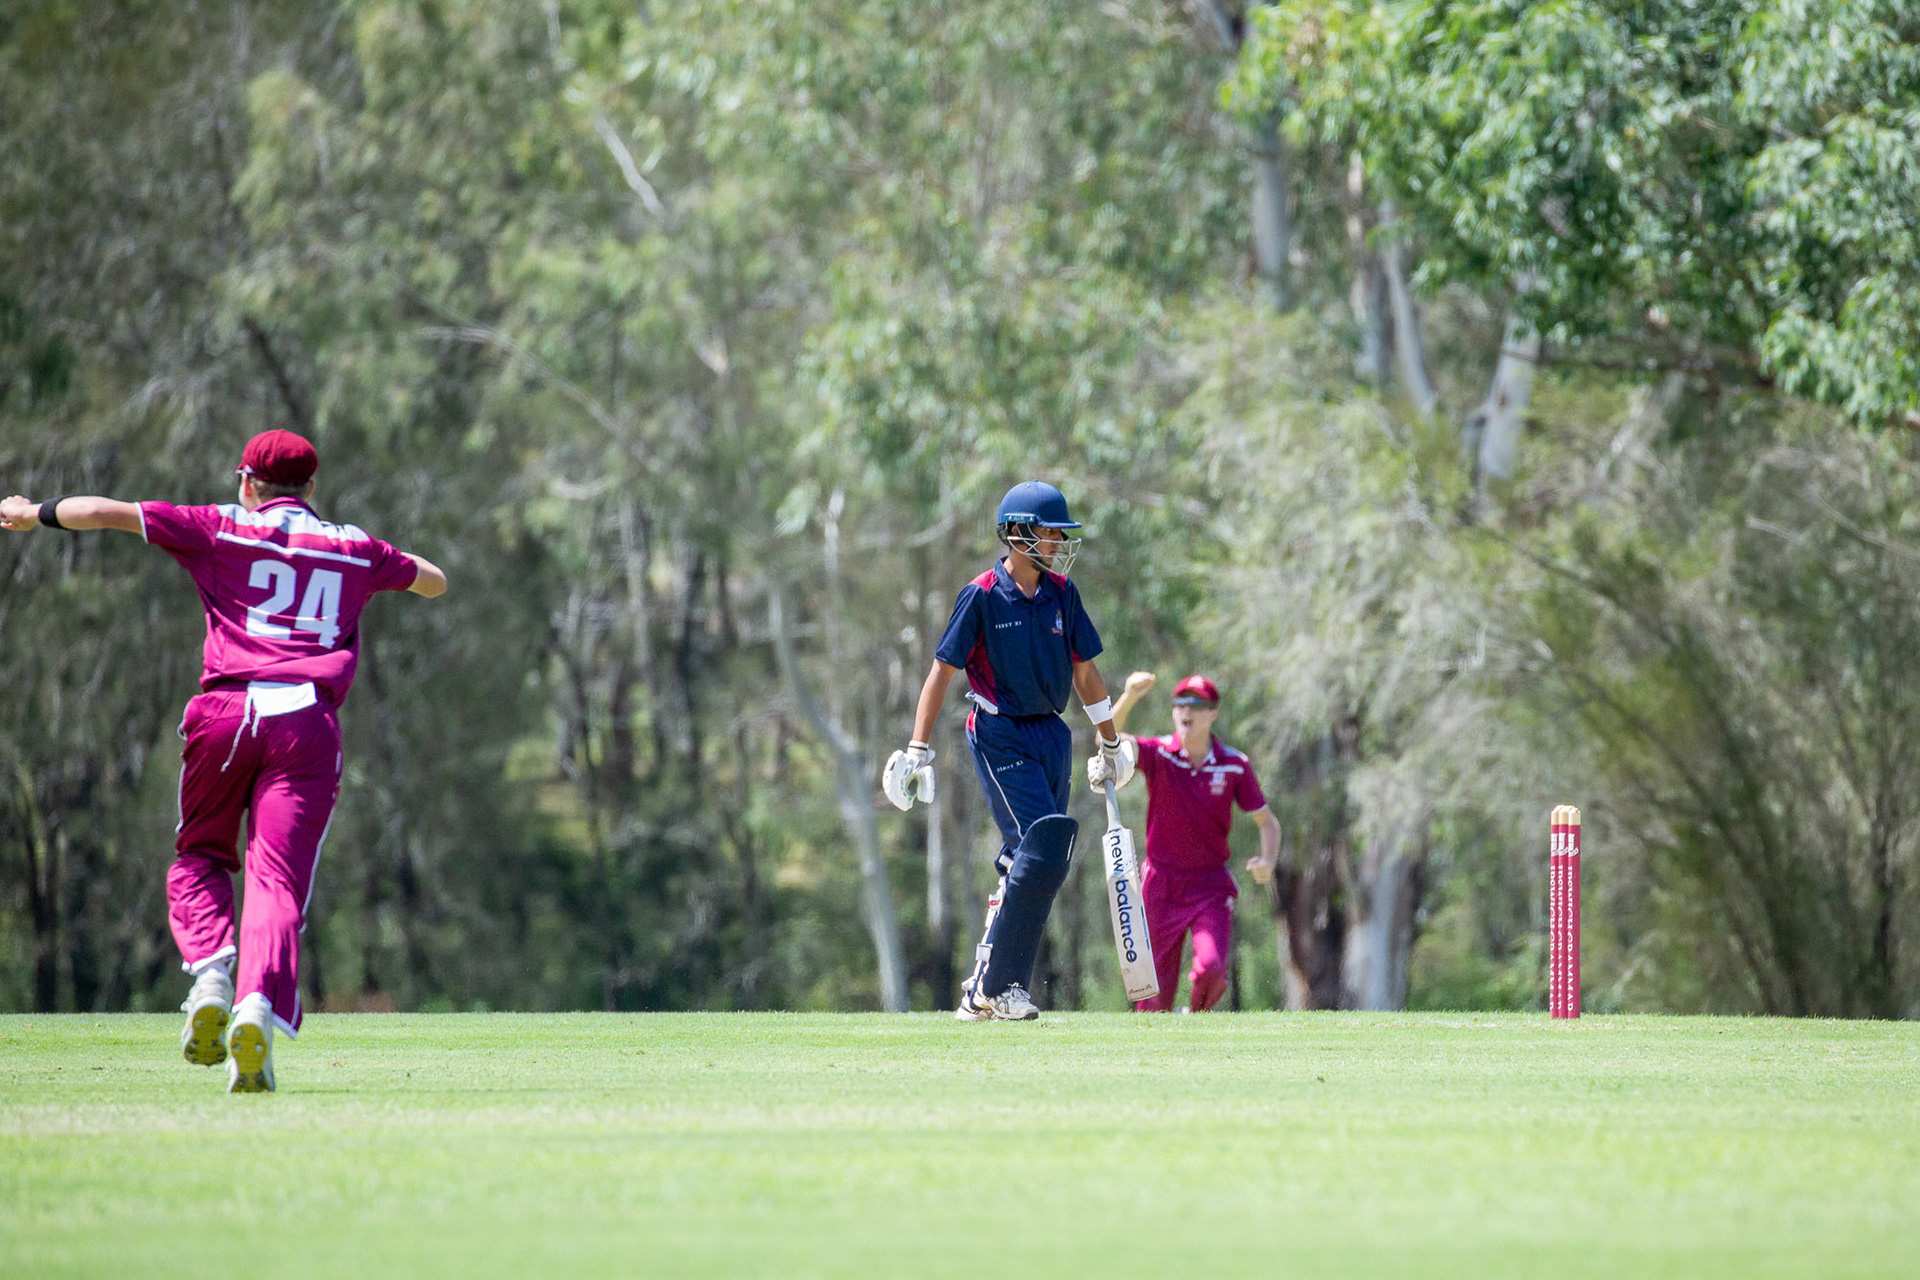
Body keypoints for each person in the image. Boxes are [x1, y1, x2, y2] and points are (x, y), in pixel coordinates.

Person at [0, 430, 447, 1091]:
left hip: (226, 714)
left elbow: (102, 511)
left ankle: (210, 977)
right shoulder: (354, 547)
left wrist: (30, 512)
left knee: (200, 855)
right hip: (305, 724)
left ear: (247, 482)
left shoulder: (221, 526)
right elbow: (433, 581)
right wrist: (378, 568)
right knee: (276, 881)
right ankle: (255, 1008)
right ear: (312, 487)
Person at [882, 480, 1130, 1020]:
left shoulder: (1062, 593)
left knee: (1031, 859)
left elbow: (1086, 672)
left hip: (1051, 733)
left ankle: (982, 988)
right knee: (1042, 846)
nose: (1058, 542)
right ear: (1016, 534)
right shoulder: (981, 594)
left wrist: (1110, 739)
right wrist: (917, 748)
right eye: (1049, 532)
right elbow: (941, 672)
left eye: (1060, 533)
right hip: (1000, 732)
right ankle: (1001, 987)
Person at [1100, 671, 1280, 1012]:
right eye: (1180, 703)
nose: (1186, 710)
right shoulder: (1160, 753)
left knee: (1212, 968)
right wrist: (1129, 696)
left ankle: (1194, 1019)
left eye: (1196, 704)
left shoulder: (1234, 765)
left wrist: (1267, 861)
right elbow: (1106, 740)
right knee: (1153, 999)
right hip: (1159, 885)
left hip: (1210, 885)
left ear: (1213, 713)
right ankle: (1159, 1040)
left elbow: (1267, 822)